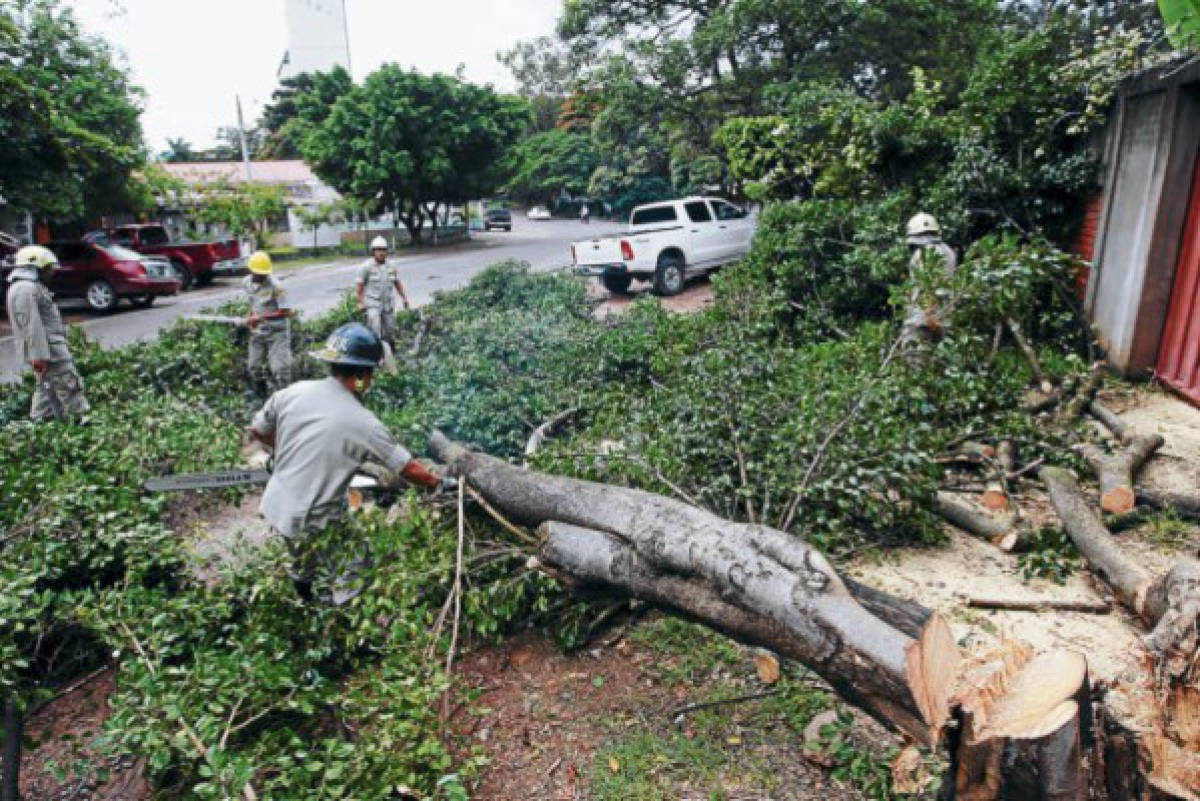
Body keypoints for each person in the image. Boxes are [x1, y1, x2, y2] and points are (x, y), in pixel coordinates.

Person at [246, 322, 453, 604]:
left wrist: (284, 451)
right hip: (316, 515)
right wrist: (438, 483)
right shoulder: (363, 421)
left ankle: (305, 604)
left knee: (301, 560)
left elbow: (259, 430)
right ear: (362, 375)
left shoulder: (292, 392)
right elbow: (407, 468)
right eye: (370, 375)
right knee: (354, 566)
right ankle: (345, 615)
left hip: (277, 505)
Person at [5, 245, 89, 422]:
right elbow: (31, 326)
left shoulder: (30, 287)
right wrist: (39, 357)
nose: (52, 272)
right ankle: (81, 422)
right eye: (48, 268)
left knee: (47, 390)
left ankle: (40, 426)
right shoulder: (24, 289)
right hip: (50, 353)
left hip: (50, 350)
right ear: (36, 268)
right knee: (69, 386)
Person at [899, 212, 959, 353]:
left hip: (922, 319)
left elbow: (929, 286)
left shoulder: (921, 254)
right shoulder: (949, 252)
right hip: (946, 316)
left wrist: (929, 315)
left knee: (913, 358)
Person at [243, 250, 293, 393]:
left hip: (277, 332)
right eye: (258, 273)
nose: (261, 275)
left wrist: (260, 317)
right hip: (258, 332)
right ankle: (262, 396)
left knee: (280, 369)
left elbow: (287, 312)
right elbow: (253, 303)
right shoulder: (246, 283)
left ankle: (285, 397)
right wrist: (250, 318)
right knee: (254, 367)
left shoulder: (277, 287)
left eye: (263, 273)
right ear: (251, 270)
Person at [356, 236, 410, 348]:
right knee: (375, 330)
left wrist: (404, 298)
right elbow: (360, 285)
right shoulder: (366, 267)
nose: (381, 252)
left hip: (387, 304)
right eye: (378, 250)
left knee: (390, 330)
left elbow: (397, 282)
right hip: (373, 304)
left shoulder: (391, 266)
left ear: (387, 251)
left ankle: (389, 353)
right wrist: (360, 303)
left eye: (383, 249)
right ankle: (376, 355)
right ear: (373, 251)